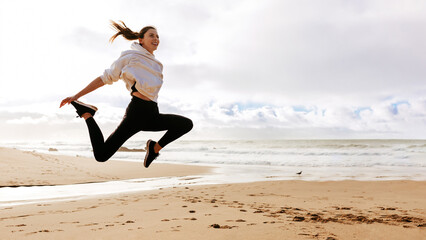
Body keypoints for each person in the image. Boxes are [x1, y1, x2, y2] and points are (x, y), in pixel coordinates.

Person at [59, 21, 193, 168]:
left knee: (186, 124)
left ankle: (154, 148)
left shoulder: (158, 65)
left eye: (157, 36)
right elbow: (105, 78)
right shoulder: (130, 56)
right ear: (141, 40)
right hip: (136, 113)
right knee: (101, 155)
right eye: (151, 35)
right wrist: (76, 96)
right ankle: (87, 114)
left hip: (153, 113)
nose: (156, 39)